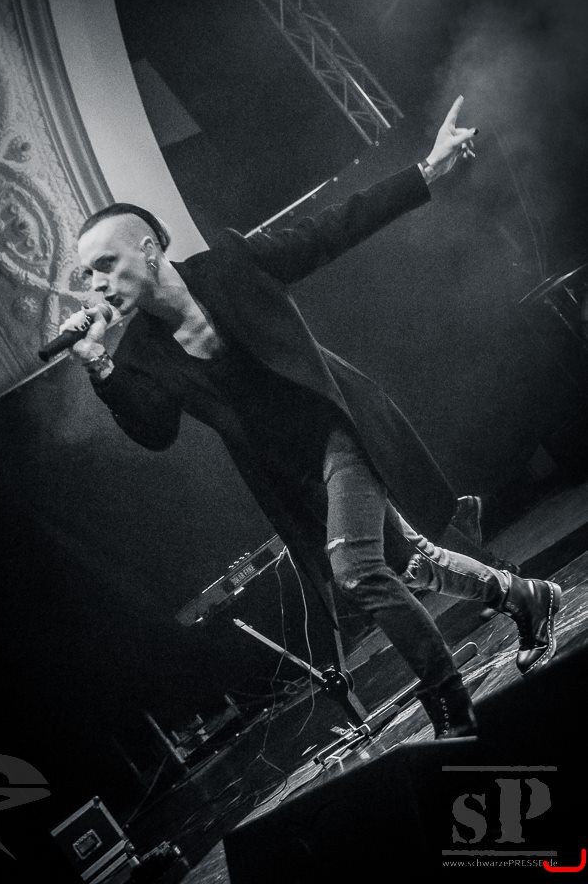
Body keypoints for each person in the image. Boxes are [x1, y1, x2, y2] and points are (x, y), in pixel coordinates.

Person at [63, 97, 561, 740]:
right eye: (88, 275)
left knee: (358, 571)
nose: (98, 284)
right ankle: (528, 598)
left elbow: (331, 229)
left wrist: (426, 171)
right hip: (290, 474)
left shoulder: (230, 265)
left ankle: (449, 705)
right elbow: (155, 431)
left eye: (106, 265)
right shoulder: (138, 353)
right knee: (409, 564)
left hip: (337, 430)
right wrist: (100, 366)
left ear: (150, 248)